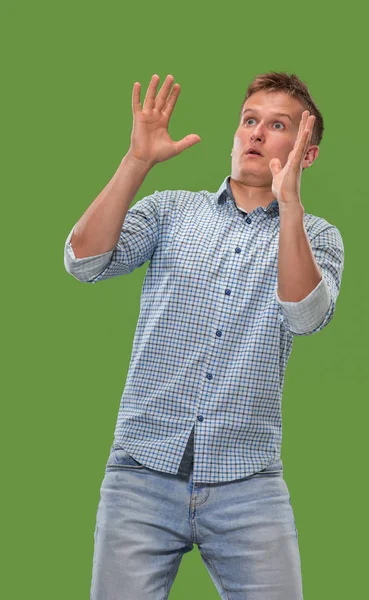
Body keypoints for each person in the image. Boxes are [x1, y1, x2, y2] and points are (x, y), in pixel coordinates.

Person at [64, 72, 344, 599]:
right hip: (140, 474)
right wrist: (137, 160)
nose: (256, 133)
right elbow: (84, 261)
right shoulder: (172, 210)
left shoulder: (318, 237)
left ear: (306, 154)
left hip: (250, 488)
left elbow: (305, 317)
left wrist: (290, 207)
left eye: (277, 125)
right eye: (249, 120)